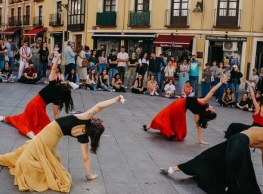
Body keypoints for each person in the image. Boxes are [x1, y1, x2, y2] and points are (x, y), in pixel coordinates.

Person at [0, 95, 125, 192]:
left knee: (26, 156)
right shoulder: (83, 137)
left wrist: (116, 99)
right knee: (27, 151)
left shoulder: (85, 117)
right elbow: (85, 158)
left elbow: (99, 106)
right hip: (52, 138)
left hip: (48, 134)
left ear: (94, 123)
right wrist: (89, 175)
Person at [160, 126, 262, 194]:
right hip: (238, 143)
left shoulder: (257, 128)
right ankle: (227, 187)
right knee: (235, 165)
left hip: (234, 141)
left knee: (209, 156)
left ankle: (172, 169)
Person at [0, 52, 74, 138]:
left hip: (35, 104)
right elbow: (56, 114)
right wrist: (59, 127)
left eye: (64, 84)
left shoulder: (52, 84)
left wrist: (57, 57)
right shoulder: (57, 97)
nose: (63, 82)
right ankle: (27, 132)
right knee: (28, 122)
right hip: (37, 106)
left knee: (23, 119)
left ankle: (5, 118)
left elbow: (53, 69)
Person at [143, 76, 229, 144]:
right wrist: (200, 140)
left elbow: (212, 92)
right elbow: (198, 127)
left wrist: (220, 83)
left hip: (179, 104)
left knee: (164, 115)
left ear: (208, 111)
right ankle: (163, 131)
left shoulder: (203, 102)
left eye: (212, 110)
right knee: (170, 118)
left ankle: (156, 129)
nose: (213, 107)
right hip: (181, 107)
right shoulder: (198, 112)